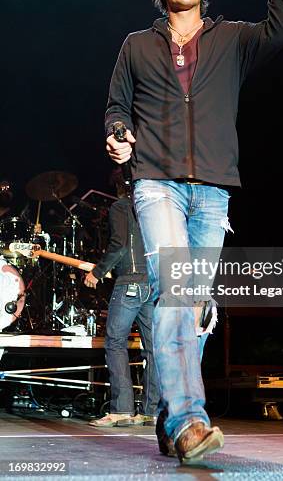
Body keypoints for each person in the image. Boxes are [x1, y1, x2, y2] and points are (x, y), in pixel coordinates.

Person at [104, 0, 283, 462]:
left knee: (196, 307)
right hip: (157, 183)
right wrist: (119, 134)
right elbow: (117, 107)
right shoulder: (135, 46)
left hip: (213, 190)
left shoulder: (231, 40)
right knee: (178, 291)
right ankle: (192, 420)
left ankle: (168, 415)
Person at [84, 174, 160, 428]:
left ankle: (122, 410)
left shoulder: (121, 206)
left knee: (116, 343)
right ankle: (151, 410)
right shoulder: (155, 206)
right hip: (153, 282)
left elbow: (118, 246)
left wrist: (97, 272)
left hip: (129, 282)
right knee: (153, 348)